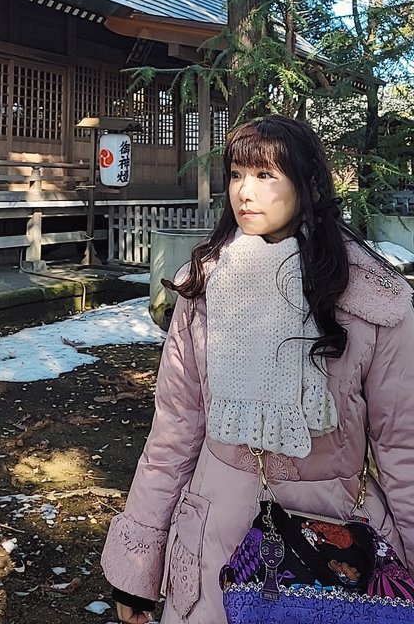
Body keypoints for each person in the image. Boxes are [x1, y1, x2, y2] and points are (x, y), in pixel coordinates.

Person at [100, 114, 414, 624]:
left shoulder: (370, 298)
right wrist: (137, 571)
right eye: (236, 175)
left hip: (337, 540)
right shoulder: (204, 287)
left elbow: (403, 444)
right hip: (215, 537)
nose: (244, 192)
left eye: (266, 175)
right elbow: (174, 431)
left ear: (308, 184)